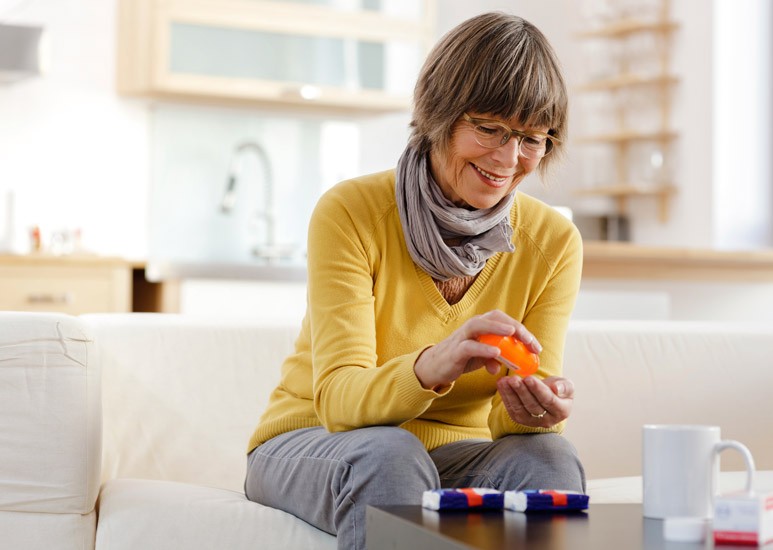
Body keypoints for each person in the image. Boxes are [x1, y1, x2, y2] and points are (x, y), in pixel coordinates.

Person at [245, 11, 584, 550]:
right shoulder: (352, 212)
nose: (508, 158)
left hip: (454, 457)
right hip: (315, 441)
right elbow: (337, 400)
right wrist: (433, 364)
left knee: (551, 458)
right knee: (389, 455)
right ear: (438, 115)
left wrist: (539, 409)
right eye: (489, 128)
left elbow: (510, 420)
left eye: (531, 138)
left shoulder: (553, 243)